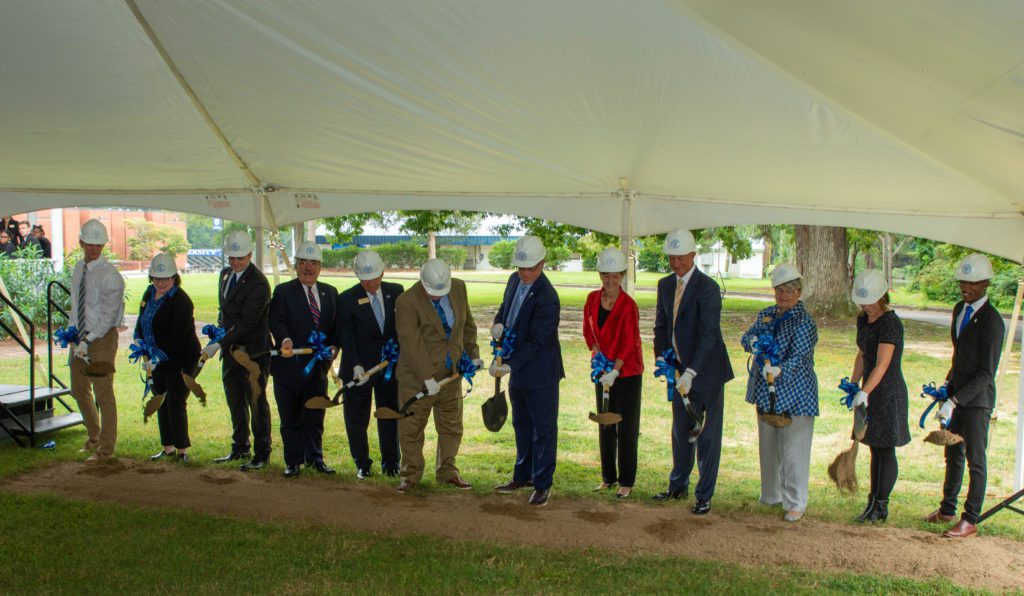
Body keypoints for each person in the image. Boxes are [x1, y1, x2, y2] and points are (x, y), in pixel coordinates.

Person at [652, 229, 734, 515]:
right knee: (681, 430)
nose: (676, 263)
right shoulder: (664, 286)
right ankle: (678, 485)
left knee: (707, 435)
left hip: (707, 373)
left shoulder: (708, 288)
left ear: (693, 256)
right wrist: (663, 360)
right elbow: (662, 327)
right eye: (672, 258)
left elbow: (709, 335)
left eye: (681, 257)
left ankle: (704, 495)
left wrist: (691, 371)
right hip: (677, 372)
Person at [924, 254, 1005, 538]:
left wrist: (955, 401)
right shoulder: (959, 309)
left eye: (971, 283)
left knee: (975, 459)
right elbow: (959, 356)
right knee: (952, 452)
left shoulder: (993, 322)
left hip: (978, 400)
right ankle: (947, 508)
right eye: (962, 281)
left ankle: (970, 519)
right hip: (956, 395)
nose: (964, 287)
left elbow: (986, 373)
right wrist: (947, 388)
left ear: (985, 284)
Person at [739, 263, 818, 522]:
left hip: (795, 392)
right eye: (778, 290)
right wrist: (753, 343)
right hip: (766, 391)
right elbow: (747, 338)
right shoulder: (767, 314)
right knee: (769, 445)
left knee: (794, 449)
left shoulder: (804, 321)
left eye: (789, 290)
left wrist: (779, 368)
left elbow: (801, 356)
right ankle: (771, 495)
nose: (783, 295)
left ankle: (795, 502)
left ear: (798, 291)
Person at [394, 259, 481, 494]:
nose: (436, 296)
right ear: (422, 281)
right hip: (416, 378)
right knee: (411, 428)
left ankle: (447, 471)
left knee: (451, 426)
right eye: (432, 292)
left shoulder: (459, 288)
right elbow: (411, 344)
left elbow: (467, 326)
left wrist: (472, 354)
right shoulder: (406, 302)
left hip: (451, 376)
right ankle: (410, 474)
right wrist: (426, 378)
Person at [491, 236, 564, 507]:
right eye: (521, 268)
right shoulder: (513, 280)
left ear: (543, 263)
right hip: (518, 369)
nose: (524, 273)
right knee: (521, 424)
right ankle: (522, 475)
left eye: (530, 268)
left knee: (543, 429)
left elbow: (538, 342)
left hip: (540, 372)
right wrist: (498, 325)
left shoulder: (548, 298)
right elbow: (505, 309)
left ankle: (542, 484)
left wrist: (510, 364)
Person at [269, 241, 338, 477]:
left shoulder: (330, 293)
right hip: (289, 369)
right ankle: (293, 461)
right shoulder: (283, 292)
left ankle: (315, 458)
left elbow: (335, 328)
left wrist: (334, 347)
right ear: (297, 265)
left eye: (314, 263)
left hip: (317, 370)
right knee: (290, 417)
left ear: (320, 267)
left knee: (315, 415)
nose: (308, 268)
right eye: (304, 263)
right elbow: (276, 320)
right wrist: (285, 339)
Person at [207, 230, 273, 471]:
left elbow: (247, 323)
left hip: (253, 353)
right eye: (231, 258)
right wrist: (217, 332)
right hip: (230, 351)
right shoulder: (225, 275)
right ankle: (239, 446)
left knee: (255, 402)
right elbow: (224, 311)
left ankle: (262, 453)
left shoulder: (258, 283)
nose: (234, 262)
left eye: (239, 258)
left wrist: (218, 343)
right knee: (234, 400)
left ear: (249, 254)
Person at [335, 250, 404, 478]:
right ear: (357, 276)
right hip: (359, 370)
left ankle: (391, 463)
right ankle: (362, 464)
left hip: (388, 368)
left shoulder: (396, 292)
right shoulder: (346, 299)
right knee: (357, 418)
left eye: (375, 277)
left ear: (383, 272)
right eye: (365, 279)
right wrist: (355, 365)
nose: (371, 283)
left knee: (389, 414)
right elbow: (346, 336)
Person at [848, 269, 910, 523]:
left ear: (883, 296)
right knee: (874, 447)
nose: (866, 306)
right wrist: (853, 384)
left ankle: (881, 505)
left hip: (887, 392)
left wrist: (865, 391)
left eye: (870, 301)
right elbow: (863, 354)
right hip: (869, 390)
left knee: (885, 449)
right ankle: (873, 501)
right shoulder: (864, 319)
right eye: (862, 301)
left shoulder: (890, 323)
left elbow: (883, 364)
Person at [582, 248, 644, 499]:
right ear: (600, 274)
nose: (610, 280)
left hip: (626, 371)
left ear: (622, 276)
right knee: (605, 421)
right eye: (605, 275)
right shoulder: (591, 299)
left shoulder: (629, 306)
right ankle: (608, 477)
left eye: (615, 275)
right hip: (603, 369)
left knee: (626, 426)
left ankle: (626, 481)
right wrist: (597, 355)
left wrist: (615, 371)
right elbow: (588, 331)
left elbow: (629, 343)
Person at [134, 254, 201, 463]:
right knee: (159, 399)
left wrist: (156, 358)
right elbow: (141, 320)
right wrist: (138, 341)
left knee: (175, 401)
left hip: (180, 358)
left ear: (174, 277)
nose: (161, 283)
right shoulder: (149, 293)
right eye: (156, 278)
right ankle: (167, 447)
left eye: (165, 278)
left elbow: (176, 338)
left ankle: (182, 450)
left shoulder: (182, 301)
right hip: (155, 357)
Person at [69, 219, 125, 461]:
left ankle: (106, 449)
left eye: (98, 245)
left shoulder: (110, 276)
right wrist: (72, 335)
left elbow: (108, 316)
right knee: (79, 389)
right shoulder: (78, 269)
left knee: (103, 392)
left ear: (103, 245)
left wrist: (88, 340)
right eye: (90, 244)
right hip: (79, 337)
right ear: (81, 242)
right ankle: (94, 436)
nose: (94, 249)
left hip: (101, 339)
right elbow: (75, 306)